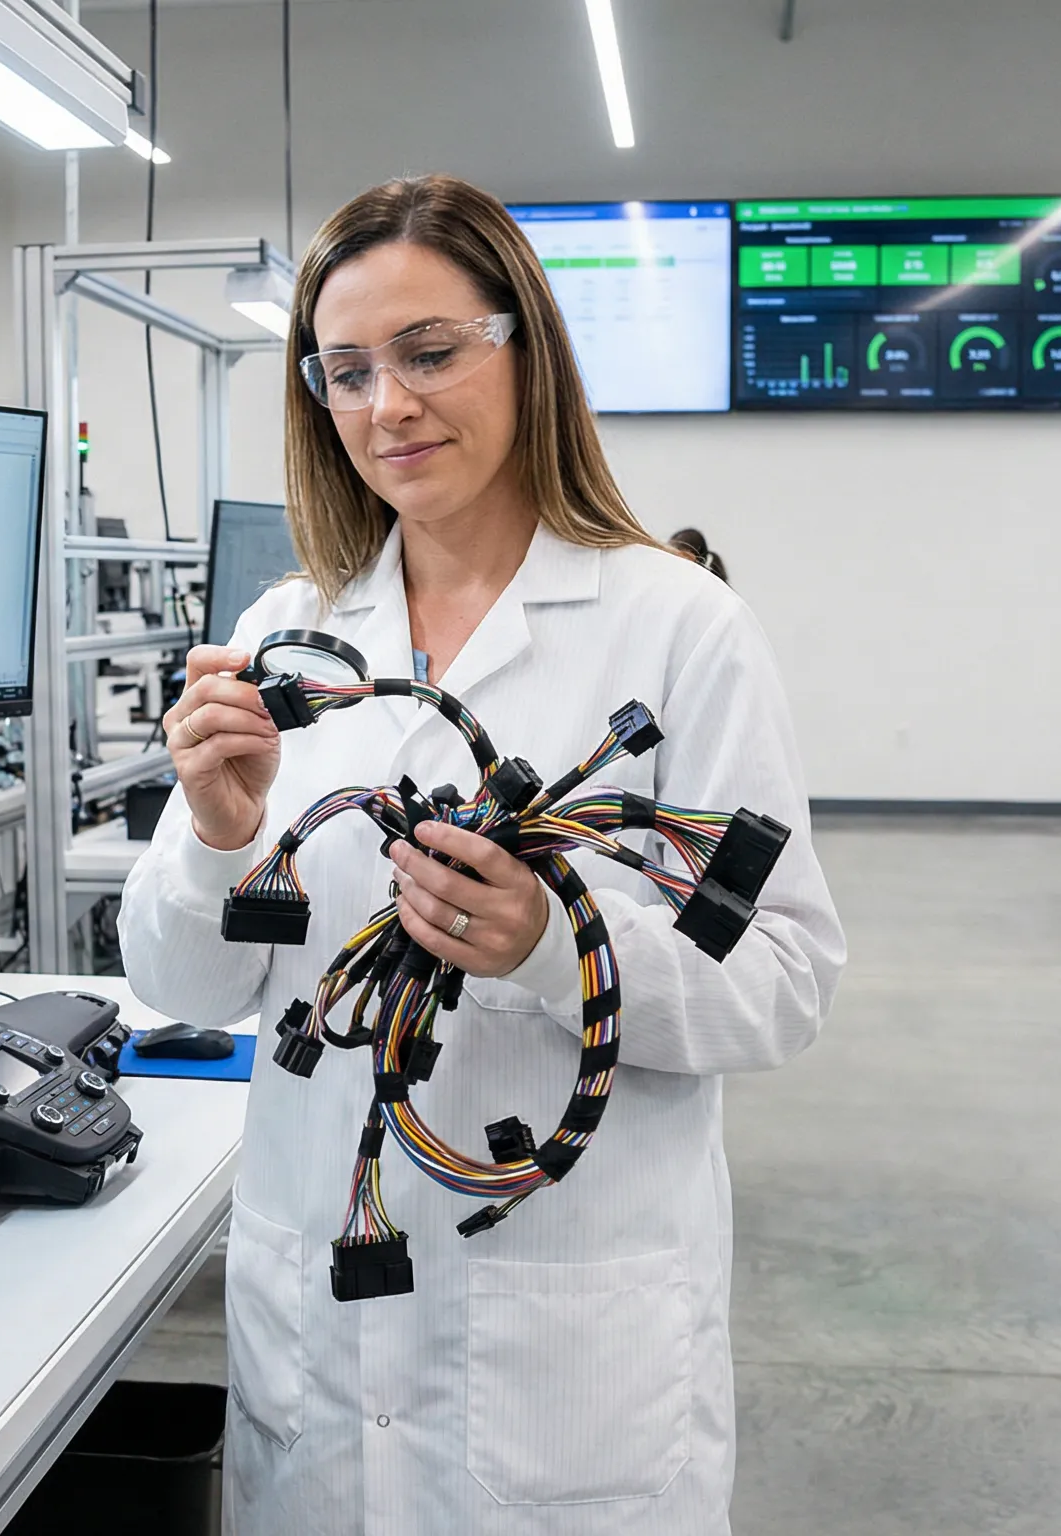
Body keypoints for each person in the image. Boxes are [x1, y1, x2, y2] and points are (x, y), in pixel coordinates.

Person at [119, 174, 844, 1534]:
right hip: (322, 1333)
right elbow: (183, 987)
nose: (387, 404)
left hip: (568, 1361)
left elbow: (786, 980)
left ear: (527, 351)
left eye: (429, 352)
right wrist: (221, 835)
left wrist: (558, 950)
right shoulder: (288, 638)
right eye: (346, 371)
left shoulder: (677, 631)